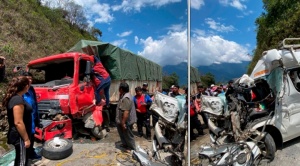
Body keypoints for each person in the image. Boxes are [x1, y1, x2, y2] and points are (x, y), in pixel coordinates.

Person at [3, 76, 32, 166]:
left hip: (19, 135)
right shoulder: (17, 100)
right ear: (25, 86)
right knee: (22, 162)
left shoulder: (16, 97)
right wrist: (26, 139)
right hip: (20, 136)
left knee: (20, 158)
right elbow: (18, 122)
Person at [21, 72, 42, 160]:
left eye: (30, 78)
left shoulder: (31, 88)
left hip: (32, 118)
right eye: (27, 78)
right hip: (24, 119)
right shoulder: (20, 90)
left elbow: (35, 104)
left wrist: (37, 119)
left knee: (32, 137)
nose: (30, 80)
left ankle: (31, 153)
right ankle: (24, 157)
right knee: (25, 139)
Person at [115, 82, 137, 153]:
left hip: (126, 120)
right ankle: (125, 144)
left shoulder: (126, 98)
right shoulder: (123, 95)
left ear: (121, 89)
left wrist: (123, 123)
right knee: (122, 133)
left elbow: (126, 112)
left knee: (128, 134)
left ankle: (132, 148)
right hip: (121, 120)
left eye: (119, 88)